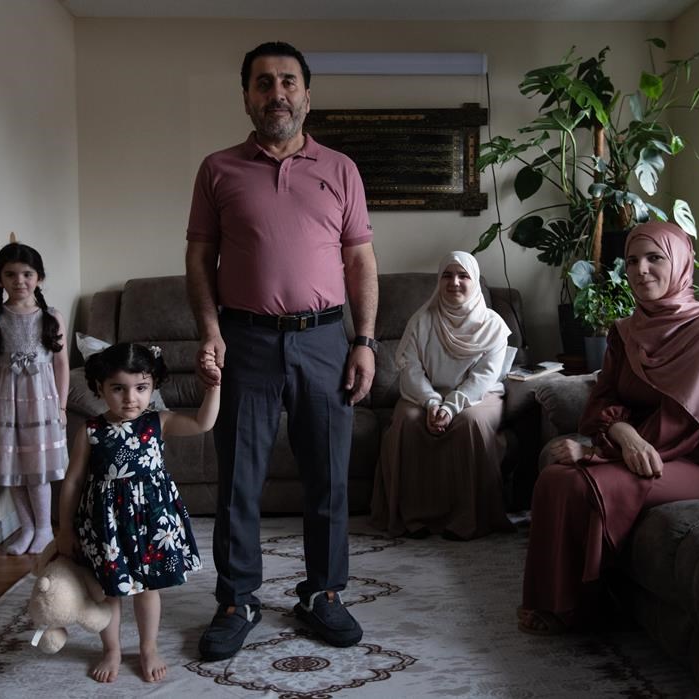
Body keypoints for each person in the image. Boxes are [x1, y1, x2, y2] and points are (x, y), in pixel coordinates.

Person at [185, 41, 378, 661]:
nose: (277, 94)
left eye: (288, 82)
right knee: (240, 479)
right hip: (245, 339)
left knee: (328, 474)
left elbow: (359, 260)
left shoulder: (341, 168)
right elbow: (198, 259)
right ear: (246, 95)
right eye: (264, 83)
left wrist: (364, 341)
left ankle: (322, 593)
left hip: (325, 338)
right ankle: (238, 599)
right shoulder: (218, 169)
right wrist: (210, 331)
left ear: (306, 95)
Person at [519, 221, 699, 634]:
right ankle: (557, 604)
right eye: (632, 260)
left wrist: (597, 453)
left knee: (576, 483)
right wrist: (622, 435)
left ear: (680, 263)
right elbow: (600, 403)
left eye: (654, 258)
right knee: (556, 477)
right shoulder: (626, 331)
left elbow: (684, 424)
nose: (641, 269)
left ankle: (577, 609)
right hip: (640, 449)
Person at [56, 343, 219, 683]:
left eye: (141, 388)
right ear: (100, 388)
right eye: (118, 388)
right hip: (107, 524)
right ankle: (111, 648)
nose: (131, 398)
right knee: (110, 590)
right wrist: (65, 529)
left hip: (151, 522)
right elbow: (72, 482)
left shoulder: (159, 421)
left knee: (147, 588)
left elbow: (203, 423)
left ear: (153, 388)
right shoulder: (90, 431)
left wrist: (214, 387)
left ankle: (148, 647)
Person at [370, 251, 514, 540]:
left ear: (475, 282)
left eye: (463, 276)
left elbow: (484, 376)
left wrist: (451, 408)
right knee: (409, 420)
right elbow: (410, 369)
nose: (455, 282)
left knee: (470, 422)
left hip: (477, 396)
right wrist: (432, 402)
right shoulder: (422, 320)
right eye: (447, 275)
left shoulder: (493, 325)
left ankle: (468, 520)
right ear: (439, 281)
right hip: (424, 396)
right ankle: (413, 519)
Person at [0, 242, 69, 556]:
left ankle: (43, 528)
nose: (19, 281)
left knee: (36, 465)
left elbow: (61, 364)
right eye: (10, 274)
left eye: (27, 274)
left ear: (39, 278)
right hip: (3, 401)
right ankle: (26, 527)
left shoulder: (51, 316)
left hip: (40, 401)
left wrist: (62, 406)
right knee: (10, 465)